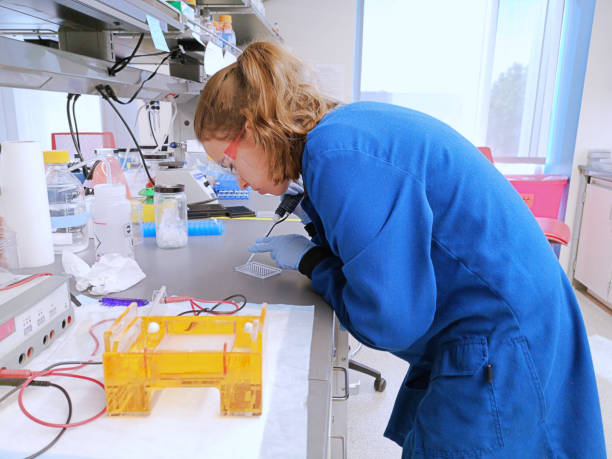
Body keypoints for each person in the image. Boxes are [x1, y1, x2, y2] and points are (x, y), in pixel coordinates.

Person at [194, 41, 606, 458]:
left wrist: (313, 262)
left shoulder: (336, 153)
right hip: (511, 310)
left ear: (252, 128)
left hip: (499, 339)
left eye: (229, 164)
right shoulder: (341, 130)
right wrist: (314, 216)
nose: (240, 183)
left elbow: (389, 321)